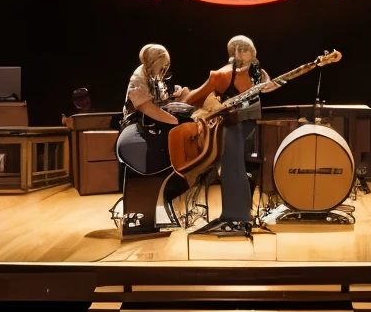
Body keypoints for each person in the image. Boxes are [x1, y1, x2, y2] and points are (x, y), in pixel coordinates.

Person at [194, 35, 278, 237]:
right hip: (228, 123)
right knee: (232, 167)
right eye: (236, 50)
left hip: (246, 123)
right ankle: (233, 214)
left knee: (238, 168)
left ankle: (239, 216)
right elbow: (204, 95)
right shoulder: (225, 73)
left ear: (252, 52)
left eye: (244, 50)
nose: (239, 54)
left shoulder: (258, 71)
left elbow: (269, 87)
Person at [117, 44, 191, 237]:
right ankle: (141, 219)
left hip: (151, 128)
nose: (165, 70)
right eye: (163, 65)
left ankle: (162, 209)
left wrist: (179, 95)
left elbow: (160, 103)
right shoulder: (138, 78)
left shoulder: (153, 77)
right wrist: (176, 120)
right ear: (156, 62)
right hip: (138, 130)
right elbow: (145, 107)